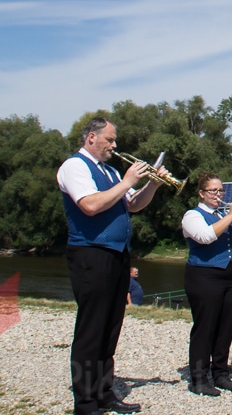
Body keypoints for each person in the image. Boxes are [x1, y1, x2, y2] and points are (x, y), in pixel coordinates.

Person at [57, 116, 169, 415]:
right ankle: (85, 403)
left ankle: (104, 392)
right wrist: (128, 181)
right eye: (109, 139)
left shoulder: (109, 170)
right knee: (91, 330)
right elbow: (90, 205)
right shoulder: (75, 166)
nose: (114, 145)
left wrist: (152, 185)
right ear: (91, 138)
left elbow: (133, 204)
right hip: (90, 254)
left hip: (117, 255)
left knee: (110, 329)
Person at [182, 173, 232, 396]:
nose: (218, 195)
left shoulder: (227, 216)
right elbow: (205, 237)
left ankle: (220, 371)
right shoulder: (192, 216)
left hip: (229, 275)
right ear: (201, 194)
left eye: (221, 191)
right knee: (205, 327)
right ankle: (199, 377)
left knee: (226, 326)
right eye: (213, 191)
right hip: (204, 275)